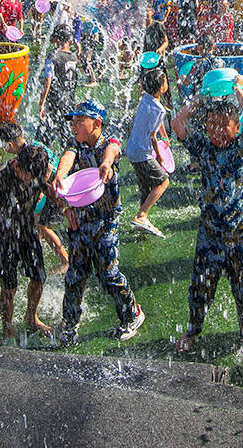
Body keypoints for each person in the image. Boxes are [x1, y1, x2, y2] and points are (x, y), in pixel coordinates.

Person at [170, 75, 243, 353]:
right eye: (211, 124)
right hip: (210, 235)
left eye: (224, 124)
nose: (217, 130)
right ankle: (193, 331)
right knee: (200, 288)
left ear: (236, 127)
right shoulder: (204, 148)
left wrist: (237, 89)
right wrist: (200, 96)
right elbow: (177, 123)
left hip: (240, 236)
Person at [52, 100, 145, 346]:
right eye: (72, 122)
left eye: (79, 121)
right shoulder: (75, 144)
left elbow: (113, 150)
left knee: (108, 274)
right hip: (81, 222)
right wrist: (61, 176)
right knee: (75, 276)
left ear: (96, 123)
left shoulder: (109, 143)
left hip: (106, 221)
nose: (74, 126)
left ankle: (132, 314)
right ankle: (70, 327)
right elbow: (67, 158)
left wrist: (105, 164)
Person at [0, 139, 54, 340]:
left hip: (27, 230)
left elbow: (46, 187)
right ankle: (7, 328)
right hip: (4, 235)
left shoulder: (38, 169)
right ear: (16, 164)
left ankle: (31, 317)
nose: (29, 180)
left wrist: (65, 205)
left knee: (39, 276)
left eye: (33, 176)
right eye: (27, 175)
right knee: (9, 286)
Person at [0, 121, 69, 273]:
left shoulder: (28, 151)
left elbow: (48, 168)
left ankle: (65, 261)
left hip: (56, 186)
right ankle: (37, 246)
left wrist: (41, 192)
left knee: (43, 225)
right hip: (55, 183)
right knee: (36, 220)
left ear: (10, 144)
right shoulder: (30, 144)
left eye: (4, 145)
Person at [124, 66, 171, 237]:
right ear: (161, 88)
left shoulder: (145, 99)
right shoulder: (159, 109)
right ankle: (141, 215)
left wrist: (165, 138)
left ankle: (141, 222)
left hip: (131, 150)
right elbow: (153, 135)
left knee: (146, 187)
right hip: (143, 152)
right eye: (165, 81)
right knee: (163, 182)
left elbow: (158, 126)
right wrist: (159, 155)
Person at [37, 23, 79, 147]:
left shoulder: (53, 56)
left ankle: (43, 162)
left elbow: (47, 80)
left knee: (43, 139)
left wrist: (41, 104)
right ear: (70, 40)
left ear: (55, 39)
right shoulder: (74, 57)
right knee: (67, 140)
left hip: (55, 103)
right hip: (70, 102)